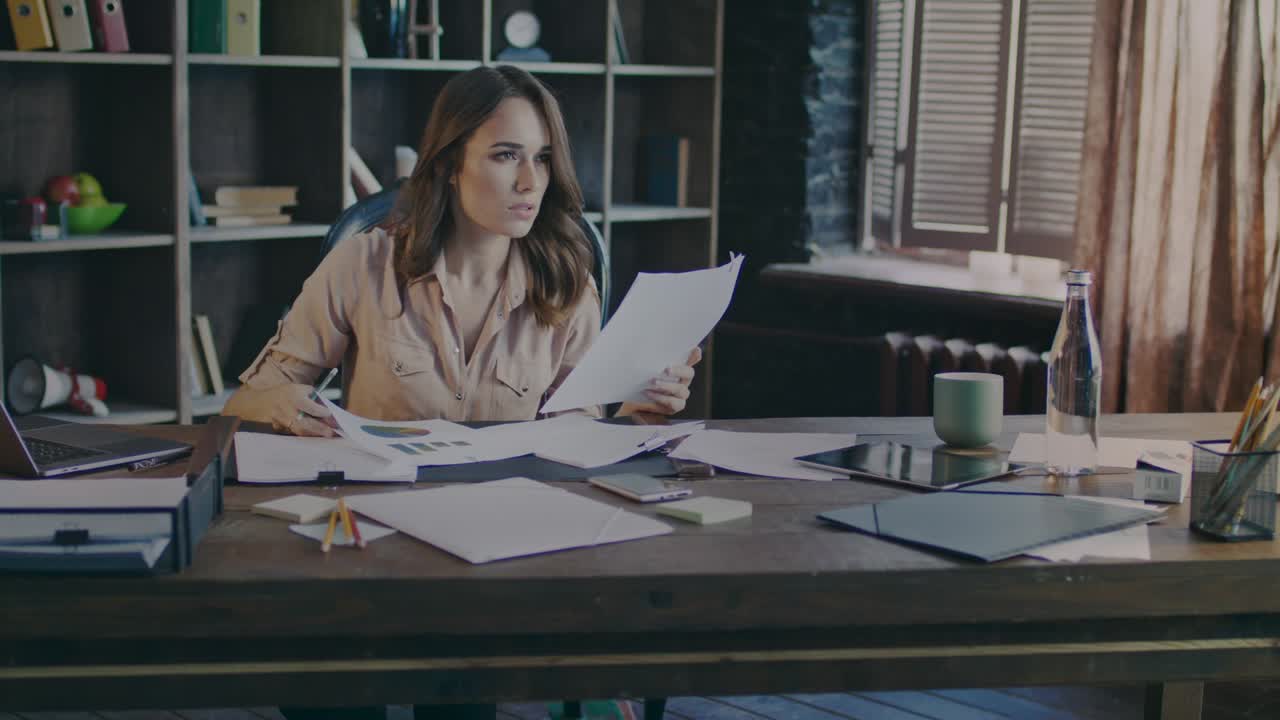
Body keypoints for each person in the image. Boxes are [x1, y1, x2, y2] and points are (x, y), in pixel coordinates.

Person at [224, 65, 698, 720]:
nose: (531, 182)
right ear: (449, 165)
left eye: (541, 158)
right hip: (371, 544)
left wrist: (640, 412)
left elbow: (576, 433)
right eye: (506, 156)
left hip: (497, 552)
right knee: (329, 690)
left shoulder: (566, 284)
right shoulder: (365, 264)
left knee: (460, 693)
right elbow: (250, 395)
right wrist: (281, 403)